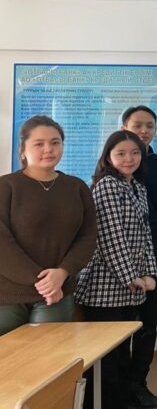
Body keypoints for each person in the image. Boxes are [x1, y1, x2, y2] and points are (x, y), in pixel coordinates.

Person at [75, 130, 157, 409]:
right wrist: (131, 277)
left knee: (123, 352)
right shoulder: (107, 185)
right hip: (104, 287)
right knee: (105, 358)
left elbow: (146, 236)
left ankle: (121, 401)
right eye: (121, 153)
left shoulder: (137, 187)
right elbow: (111, 237)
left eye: (134, 153)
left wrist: (150, 274)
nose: (128, 158)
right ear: (108, 157)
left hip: (131, 287)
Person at [0, 115, 96, 335]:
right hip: (8, 293)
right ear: (22, 150)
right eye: (39, 144)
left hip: (58, 290)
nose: (48, 149)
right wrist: (44, 282)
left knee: (50, 354)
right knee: (7, 355)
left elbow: (88, 237)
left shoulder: (77, 187)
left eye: (55, 142)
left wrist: (62, 273)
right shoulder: (6, 186)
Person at [121, 106, 157, 409]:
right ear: (124, 127)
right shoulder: (114, 161)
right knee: (118, 323)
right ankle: (116, 386)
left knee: (147, 322)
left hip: (154, 249)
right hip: (118, 252)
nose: (144, 131)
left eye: (149, 126)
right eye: (137, 125)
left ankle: (138, 384)